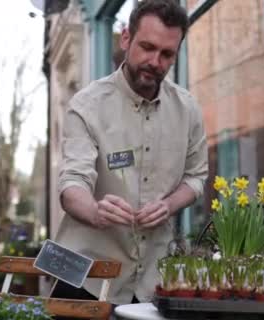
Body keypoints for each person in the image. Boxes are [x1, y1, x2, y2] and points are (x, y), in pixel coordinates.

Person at [53, 0, 209, 307]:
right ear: (126, 38)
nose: (155, 61)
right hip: (86, 276)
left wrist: (169, 204)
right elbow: (72, 183)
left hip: (154, 281)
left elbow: (196, 176)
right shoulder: (86, 106)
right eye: (147, 47)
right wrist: (96, 211)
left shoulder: (188, 109)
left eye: (167, 54)